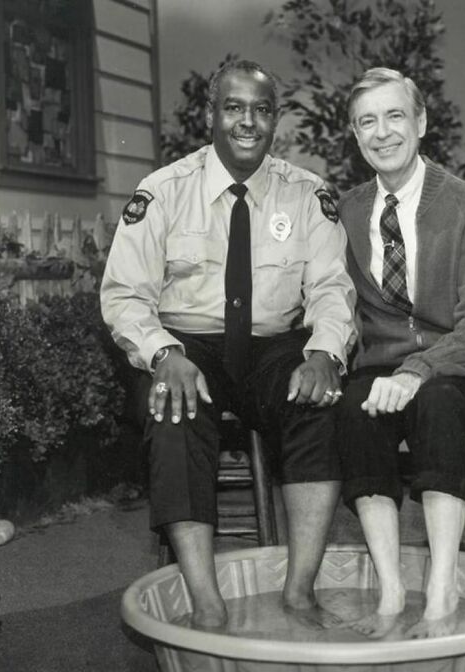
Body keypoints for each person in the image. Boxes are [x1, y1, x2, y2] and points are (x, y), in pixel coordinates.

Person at [101, 60, 356, 630]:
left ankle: (299, 591)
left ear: (275, 120)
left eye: (261, 110)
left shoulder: (307, 194)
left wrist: (324, 353)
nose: (248, 121)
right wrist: (164, 354)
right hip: (188, 345)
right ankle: (206, 601)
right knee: (175, 408)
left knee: (318, 403)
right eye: (234, 107)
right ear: (210, 114)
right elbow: (124, 295)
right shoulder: (163, 191)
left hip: (273, 346)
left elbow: (331, 288)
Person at [336, 68, 465, 639]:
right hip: (385, 373)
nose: (382, 132)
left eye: (395, 116)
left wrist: (418, 370)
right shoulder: (347, 212)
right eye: (367, 121)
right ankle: (390, 592)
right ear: (355, 135)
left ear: (421, 122)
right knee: (355, 408)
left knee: (435, 402)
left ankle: (441, 590)